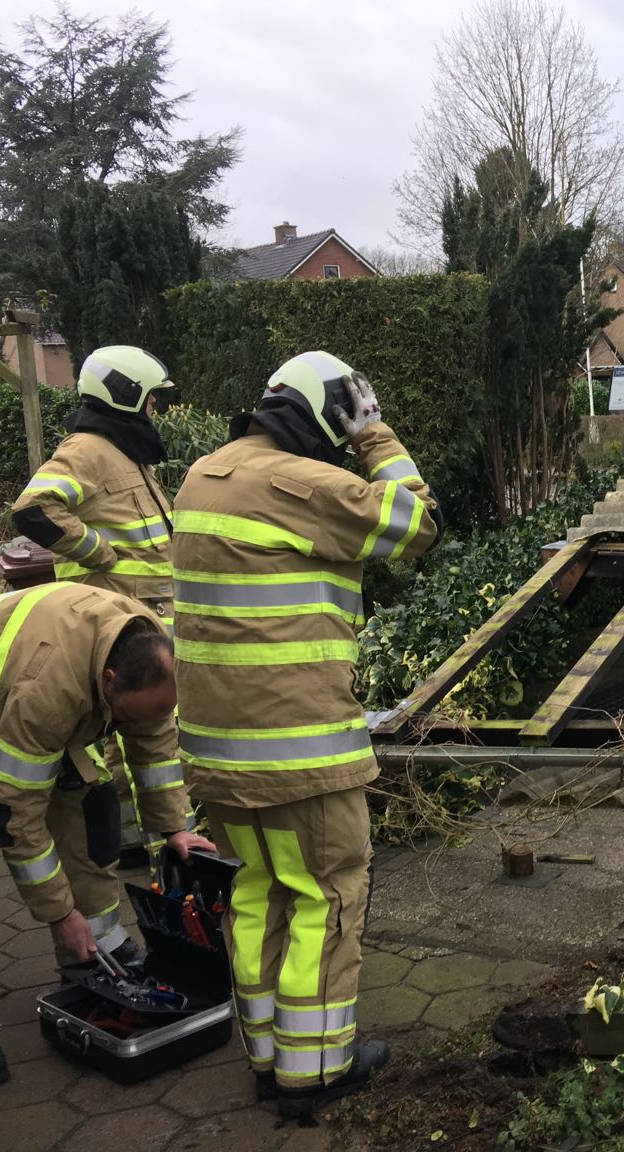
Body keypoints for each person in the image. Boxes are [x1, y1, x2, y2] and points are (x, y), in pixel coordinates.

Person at [171, 351, 437, 1118]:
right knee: (325, 895)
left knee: (256, 893)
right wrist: (374, 435)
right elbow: (418, 524)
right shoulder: (308, 484)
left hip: (218, 752)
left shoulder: (202, 476)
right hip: (301, 752)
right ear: (331, 415)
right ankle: (315, 1072)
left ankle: (268, 1058)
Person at [0, 583, 216, 1089]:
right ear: (108, 680)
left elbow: (153, 740)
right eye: (121, 718)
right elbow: (10, 811)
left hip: (14, 701)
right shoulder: (50, 688)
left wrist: (175, 828)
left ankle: (96, 951)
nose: (124, 727)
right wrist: (57, 912)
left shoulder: (148, 650)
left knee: (91, 811)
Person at [10, 344, 193, 862]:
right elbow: (33, 509)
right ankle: (126, 845)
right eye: (151, 396)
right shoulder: (88, 449)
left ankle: (146, 839)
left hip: (144, 617)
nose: (155, 406)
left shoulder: (123, 451)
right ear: (125, 393)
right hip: (114, 621)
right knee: (122, 735)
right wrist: (100, 553)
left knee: (146, 728)